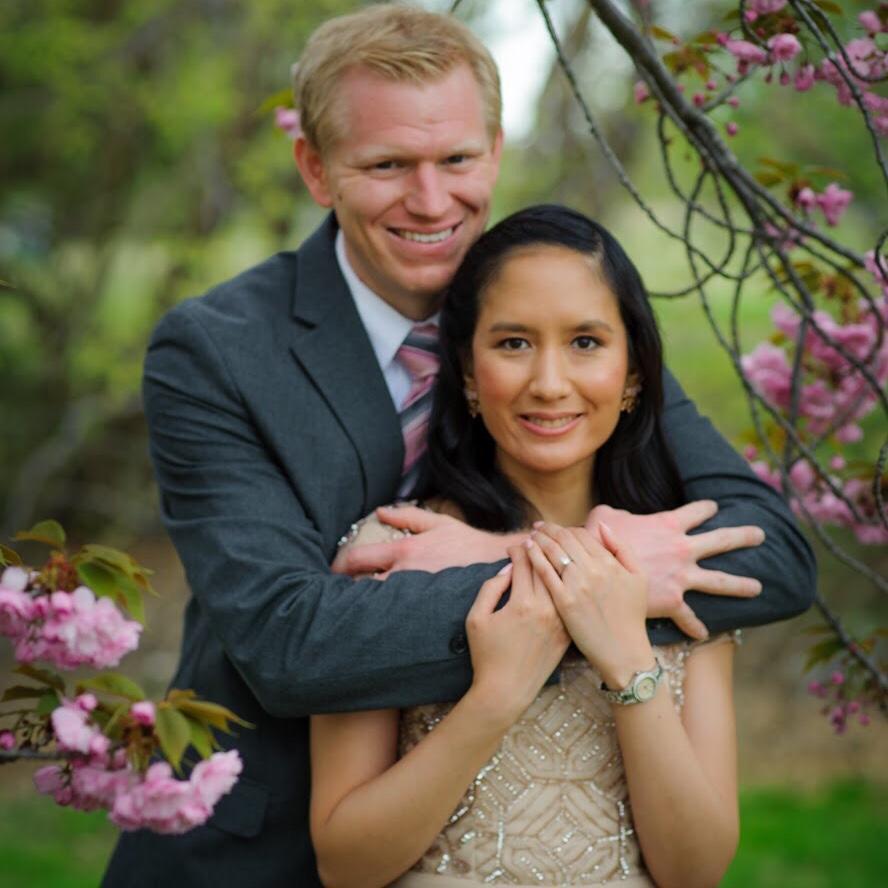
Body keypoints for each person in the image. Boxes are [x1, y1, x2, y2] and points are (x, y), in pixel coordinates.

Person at [102, 6, 815, 887]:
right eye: (387, 164)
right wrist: (592, 579)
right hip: (263, 847)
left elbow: (772, 560)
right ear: (316, 168)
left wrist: (508, 558)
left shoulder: (561, 318)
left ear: (496, 152)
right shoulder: (216, 353)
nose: (432, 200)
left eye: (456, 160)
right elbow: (292, 646)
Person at [311, 204, 740, 888]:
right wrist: (494, 698)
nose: (548, 382)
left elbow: (696, 871)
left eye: (586, 342)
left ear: (634, 374)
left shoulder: (679, 558)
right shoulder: (397, 550)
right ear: (469, 375)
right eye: (513, 343)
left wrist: (631, 660)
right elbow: (345, 863)